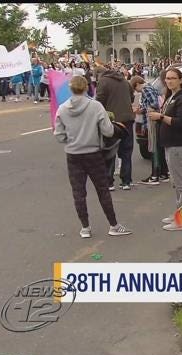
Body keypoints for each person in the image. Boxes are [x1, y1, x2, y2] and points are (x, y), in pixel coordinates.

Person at [53, 76, 132, 238]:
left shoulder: (62, 109)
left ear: (71, 89)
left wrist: (72, 139)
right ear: (87, 87)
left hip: (73, 154)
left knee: (78, 192)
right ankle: (113, 225)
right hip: (93, 153)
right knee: (103, 190)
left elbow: (59, 136)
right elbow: (108, 131)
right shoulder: (95, 106)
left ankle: (85, 228)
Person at [147, 68, 182, 231]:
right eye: (167, 78)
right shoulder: (171, 96)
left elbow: (181, 122)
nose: (169, 81)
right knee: (175, 182)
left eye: (173, 78)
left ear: (180, 80)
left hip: (178, 145)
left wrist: (160, 117)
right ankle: (178, 214)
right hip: (170, 144)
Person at [95, 64, 136, 190]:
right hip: (128, 119)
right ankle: (126, 181)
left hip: (112, 120)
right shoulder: (124, 80)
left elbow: (99, 101)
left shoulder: (103, 81)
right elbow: (132, 97)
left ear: (98, 74)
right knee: (126, 151)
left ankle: (109, 181)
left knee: (110, 150)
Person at [131, 75, 169, 185]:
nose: (136, 91)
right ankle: (163, 173)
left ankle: (154, 175)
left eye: (135, 89)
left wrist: (143, 109)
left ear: (137, 84)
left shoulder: (146, 89)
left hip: (152, 121)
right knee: (158, 147)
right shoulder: (151, 88)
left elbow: (155, 104)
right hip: (155, 120)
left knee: (154, 148)